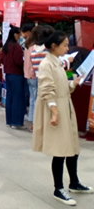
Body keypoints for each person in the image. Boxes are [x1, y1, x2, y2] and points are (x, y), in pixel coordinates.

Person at [32, 31, 92, 205]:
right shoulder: (46, 64)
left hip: (65, 106)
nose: (67, 48)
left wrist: (73, 83)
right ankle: (58, 188)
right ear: (54, 46)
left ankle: (74, 182)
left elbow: (61, 85)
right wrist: (54, 111)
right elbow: (46, 89)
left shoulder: (57, 62)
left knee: (72, 146)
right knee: (60, 149)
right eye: (64, 45)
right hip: (56, 107)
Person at [1, 26, 26, 129]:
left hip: (8, 74)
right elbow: (19, 61)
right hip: (17, 74)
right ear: (15, 35)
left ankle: (9, 121)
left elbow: (2, 60)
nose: (20, 37)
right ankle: (16, 122)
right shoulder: (16, 47)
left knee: (10, 98)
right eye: (19, 35)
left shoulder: (5, 46)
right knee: (17, 98)